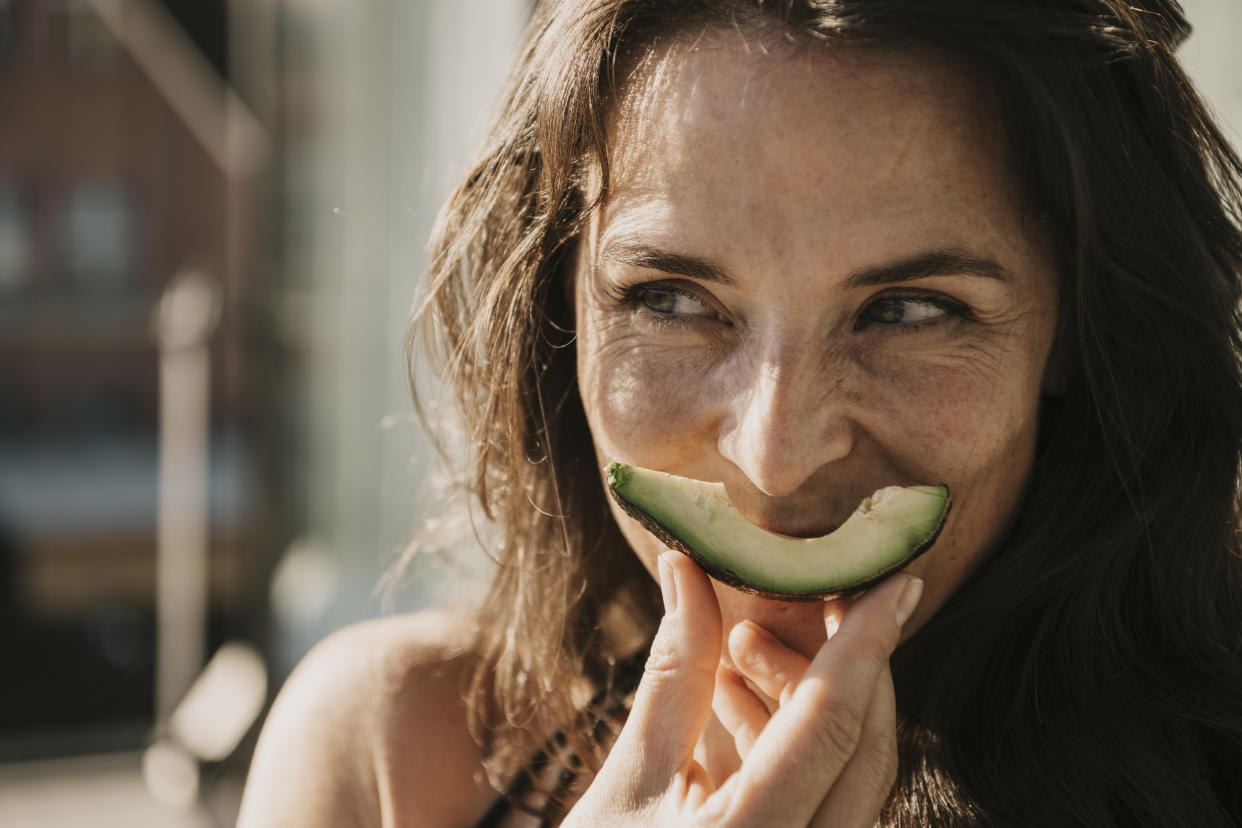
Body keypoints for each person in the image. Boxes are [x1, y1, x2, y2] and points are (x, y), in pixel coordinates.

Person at [237, 0, 1242, 825]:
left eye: (909, 310)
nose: (777, 459)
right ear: (561, 304)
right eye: (669, 299)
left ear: (1073, 327)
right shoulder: (391, 755)